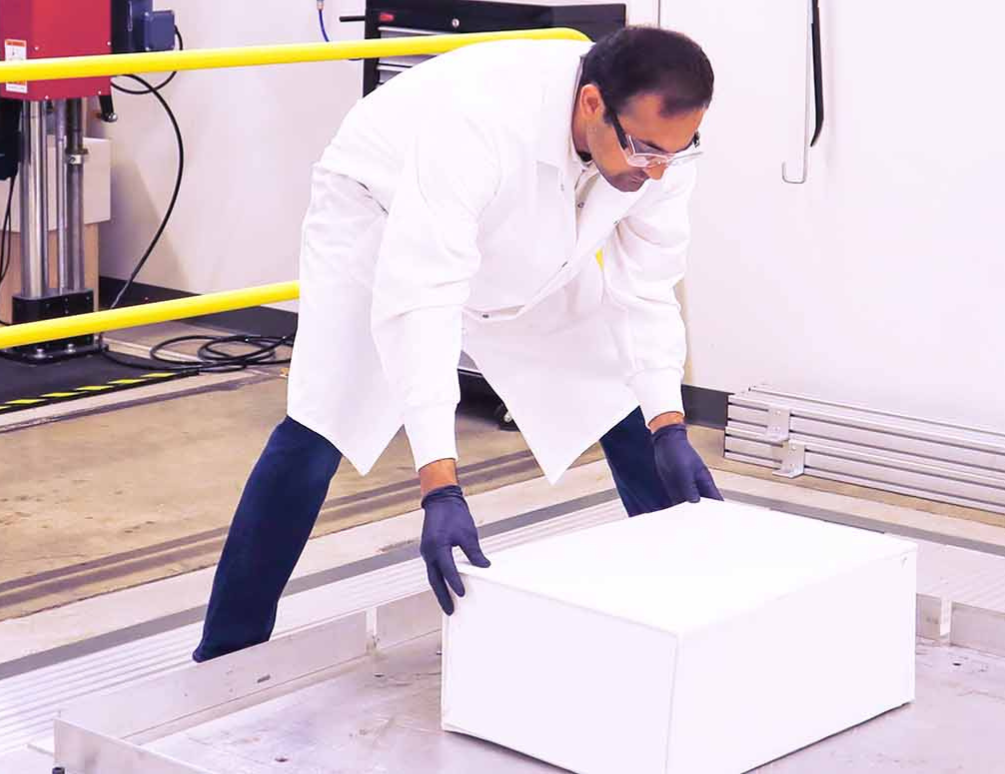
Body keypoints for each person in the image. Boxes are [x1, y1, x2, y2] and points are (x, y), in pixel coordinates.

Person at [193, 27, 721, 662]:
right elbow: (425, 301)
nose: (657, 169)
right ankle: (225, 650)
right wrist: (440, 486)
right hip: (379, 215)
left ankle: (689, 614)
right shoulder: (478, 121)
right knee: (322, 423)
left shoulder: (657, 153)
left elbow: (648, 288)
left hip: (521, 221)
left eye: (676, 150)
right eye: (643, 150)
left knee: (620, 393)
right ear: (591, 105)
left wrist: (670, 425)